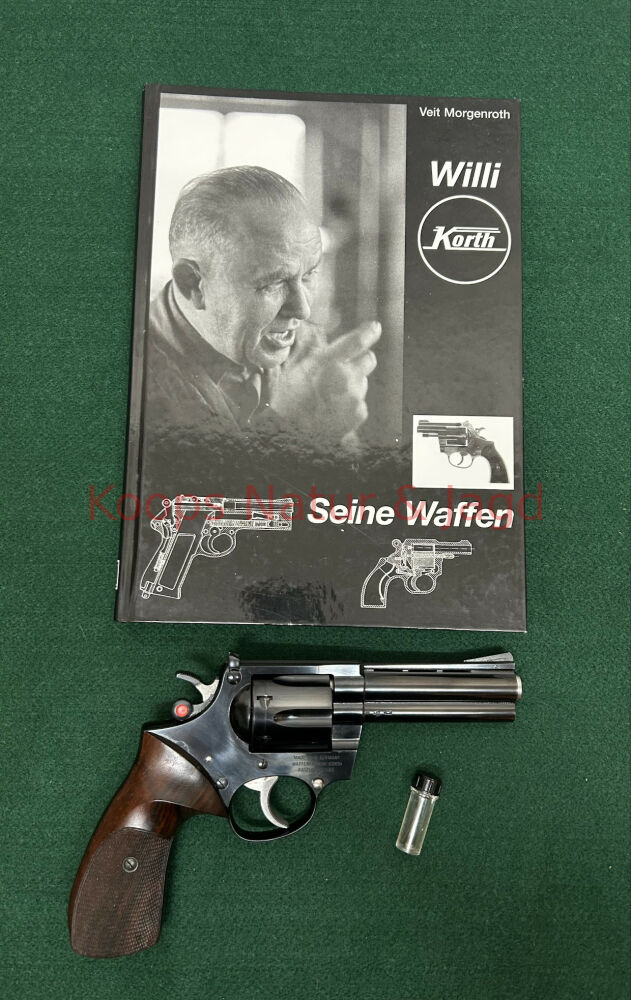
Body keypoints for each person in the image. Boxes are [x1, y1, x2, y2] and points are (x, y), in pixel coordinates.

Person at [146, 165, 381, 449]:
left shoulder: (303, 345)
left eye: (308, 275)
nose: (303, 311)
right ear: (193, 283)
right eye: (272, 283)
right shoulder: (131, 381)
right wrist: (288, 433)